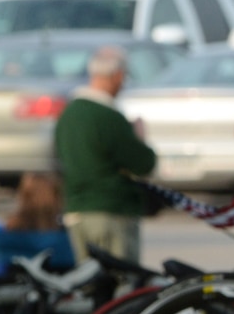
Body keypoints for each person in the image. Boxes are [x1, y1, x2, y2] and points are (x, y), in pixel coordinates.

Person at [54, 44, 158, 265]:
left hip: (76, 210)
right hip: (111, 209)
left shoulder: (68, 114)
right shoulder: (108, 117)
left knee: (89, 284)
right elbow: (143, 163)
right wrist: (139, 137)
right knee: (122, 283)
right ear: (117, 75)